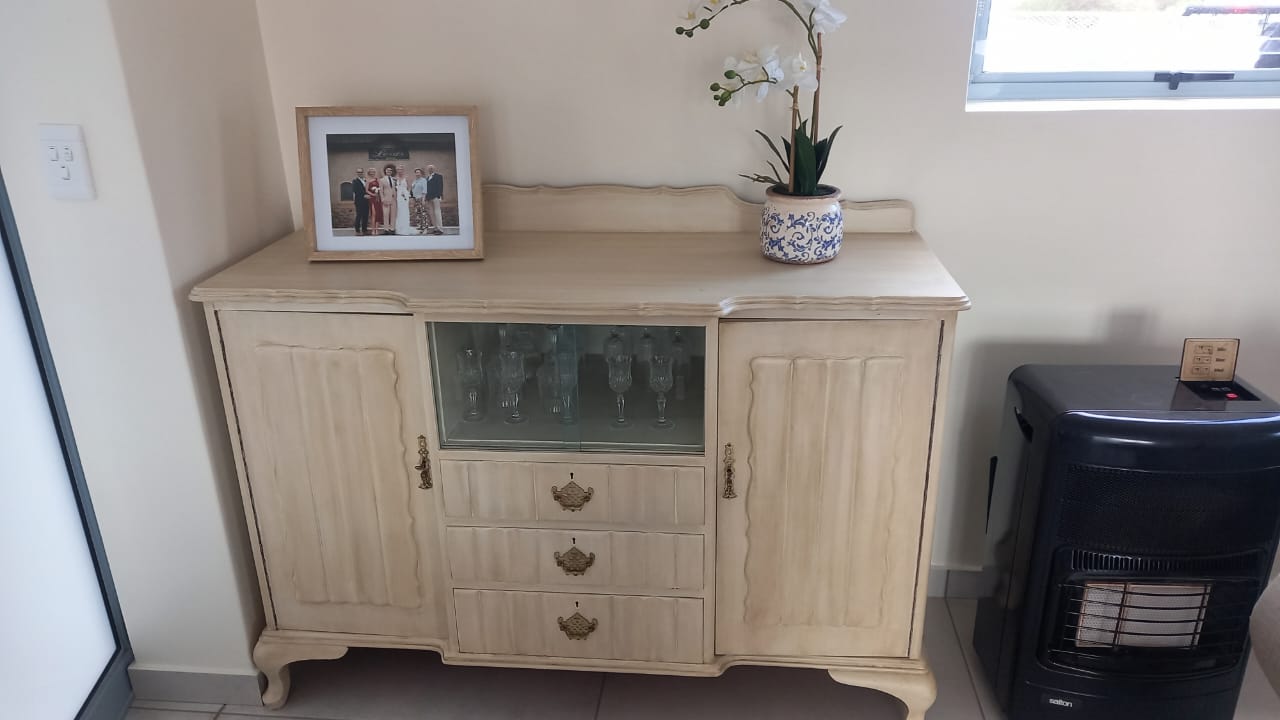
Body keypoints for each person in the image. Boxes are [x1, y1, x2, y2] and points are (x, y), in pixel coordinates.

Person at [410, 168, 433, 234]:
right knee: (417, 214)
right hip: (415, 199)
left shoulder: (423, 180)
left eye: (418, 172)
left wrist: (423, 199)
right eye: (416, 172)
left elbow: (424, 190)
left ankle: (425, 228)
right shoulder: (414, 181)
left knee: (423, 214)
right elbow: (412, 190)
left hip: (421, 198)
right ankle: (420, 228)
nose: (417, 173)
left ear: (421, 173)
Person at [425, 164, 445, 235]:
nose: (430, 169)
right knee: (432, 213)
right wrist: (426, 198)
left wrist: (439, 195)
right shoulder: (427, 178)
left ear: (434, 169)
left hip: (436, 196)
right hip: (429, 198)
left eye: (431, 168)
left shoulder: (438, 176)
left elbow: (440, 186)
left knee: (437, 212)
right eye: (429, 168)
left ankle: (440, 229)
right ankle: (435, 228)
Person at [394, 163, 413, 235]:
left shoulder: (407, 177)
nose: (399, 171)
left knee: (404, 211)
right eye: (398, 169)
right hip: (398, 195)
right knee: (398, 211)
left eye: (401, 169)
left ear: (403, 170)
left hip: (404, 195)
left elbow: (409, 187)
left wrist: (407, 195)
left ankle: (405, 228)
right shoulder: (395, 178)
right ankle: (399, 228)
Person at [379, 164, 397, 235]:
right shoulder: (382, 180)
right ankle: (386, 229)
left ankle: (392, 229)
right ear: (385, 171)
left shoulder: (394, 179)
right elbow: (381, 190)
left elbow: (395, 188)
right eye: (388, 170)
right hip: (386, 199)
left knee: (393, 214)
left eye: (390, 170)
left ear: (392, 172)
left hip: (393, 199)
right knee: (386, 214)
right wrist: (382, 199)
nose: (389, 171)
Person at [365, 168, 383, 236]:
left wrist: (378, 192)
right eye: (371, 172)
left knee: (378, 214)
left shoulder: (377, 179)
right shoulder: (367, 180)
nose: (372, 173)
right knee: (374, 214)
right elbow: (366, 190)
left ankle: (377, 229)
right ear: (369, 173)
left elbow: (381, 187)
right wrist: (373, 194)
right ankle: (373, 230)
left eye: (373, 172)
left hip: (378, 199)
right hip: (372, 198)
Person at [351, 168, 368, 235]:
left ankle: (364, 230)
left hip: (366, 201)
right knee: (359, 215)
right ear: (357, 173)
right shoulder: (355, 181)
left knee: (365, 216)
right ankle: (357, 230)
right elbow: (355, 191)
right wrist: (364, 195)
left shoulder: (365, 180)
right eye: (358, 172)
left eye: (361, 172)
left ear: (363, 172)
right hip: (359, 201)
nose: (360, 173)